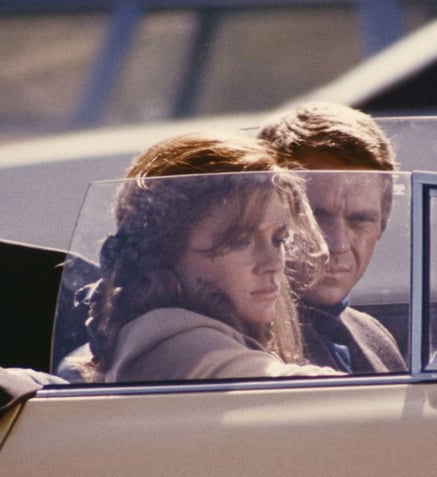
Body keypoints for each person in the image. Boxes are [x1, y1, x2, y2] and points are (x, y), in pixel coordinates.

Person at [75, 132, 341, 382]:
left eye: (278, 240)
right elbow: (310, 393)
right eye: (240, 241)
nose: (273, 264)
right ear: (164, 251)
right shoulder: (175, 342)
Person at [257, 102, 407, 373]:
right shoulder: (243, 343)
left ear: (381, 226)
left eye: (360, 220)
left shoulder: (375, 337)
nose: (335, 245)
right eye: (314, 217)